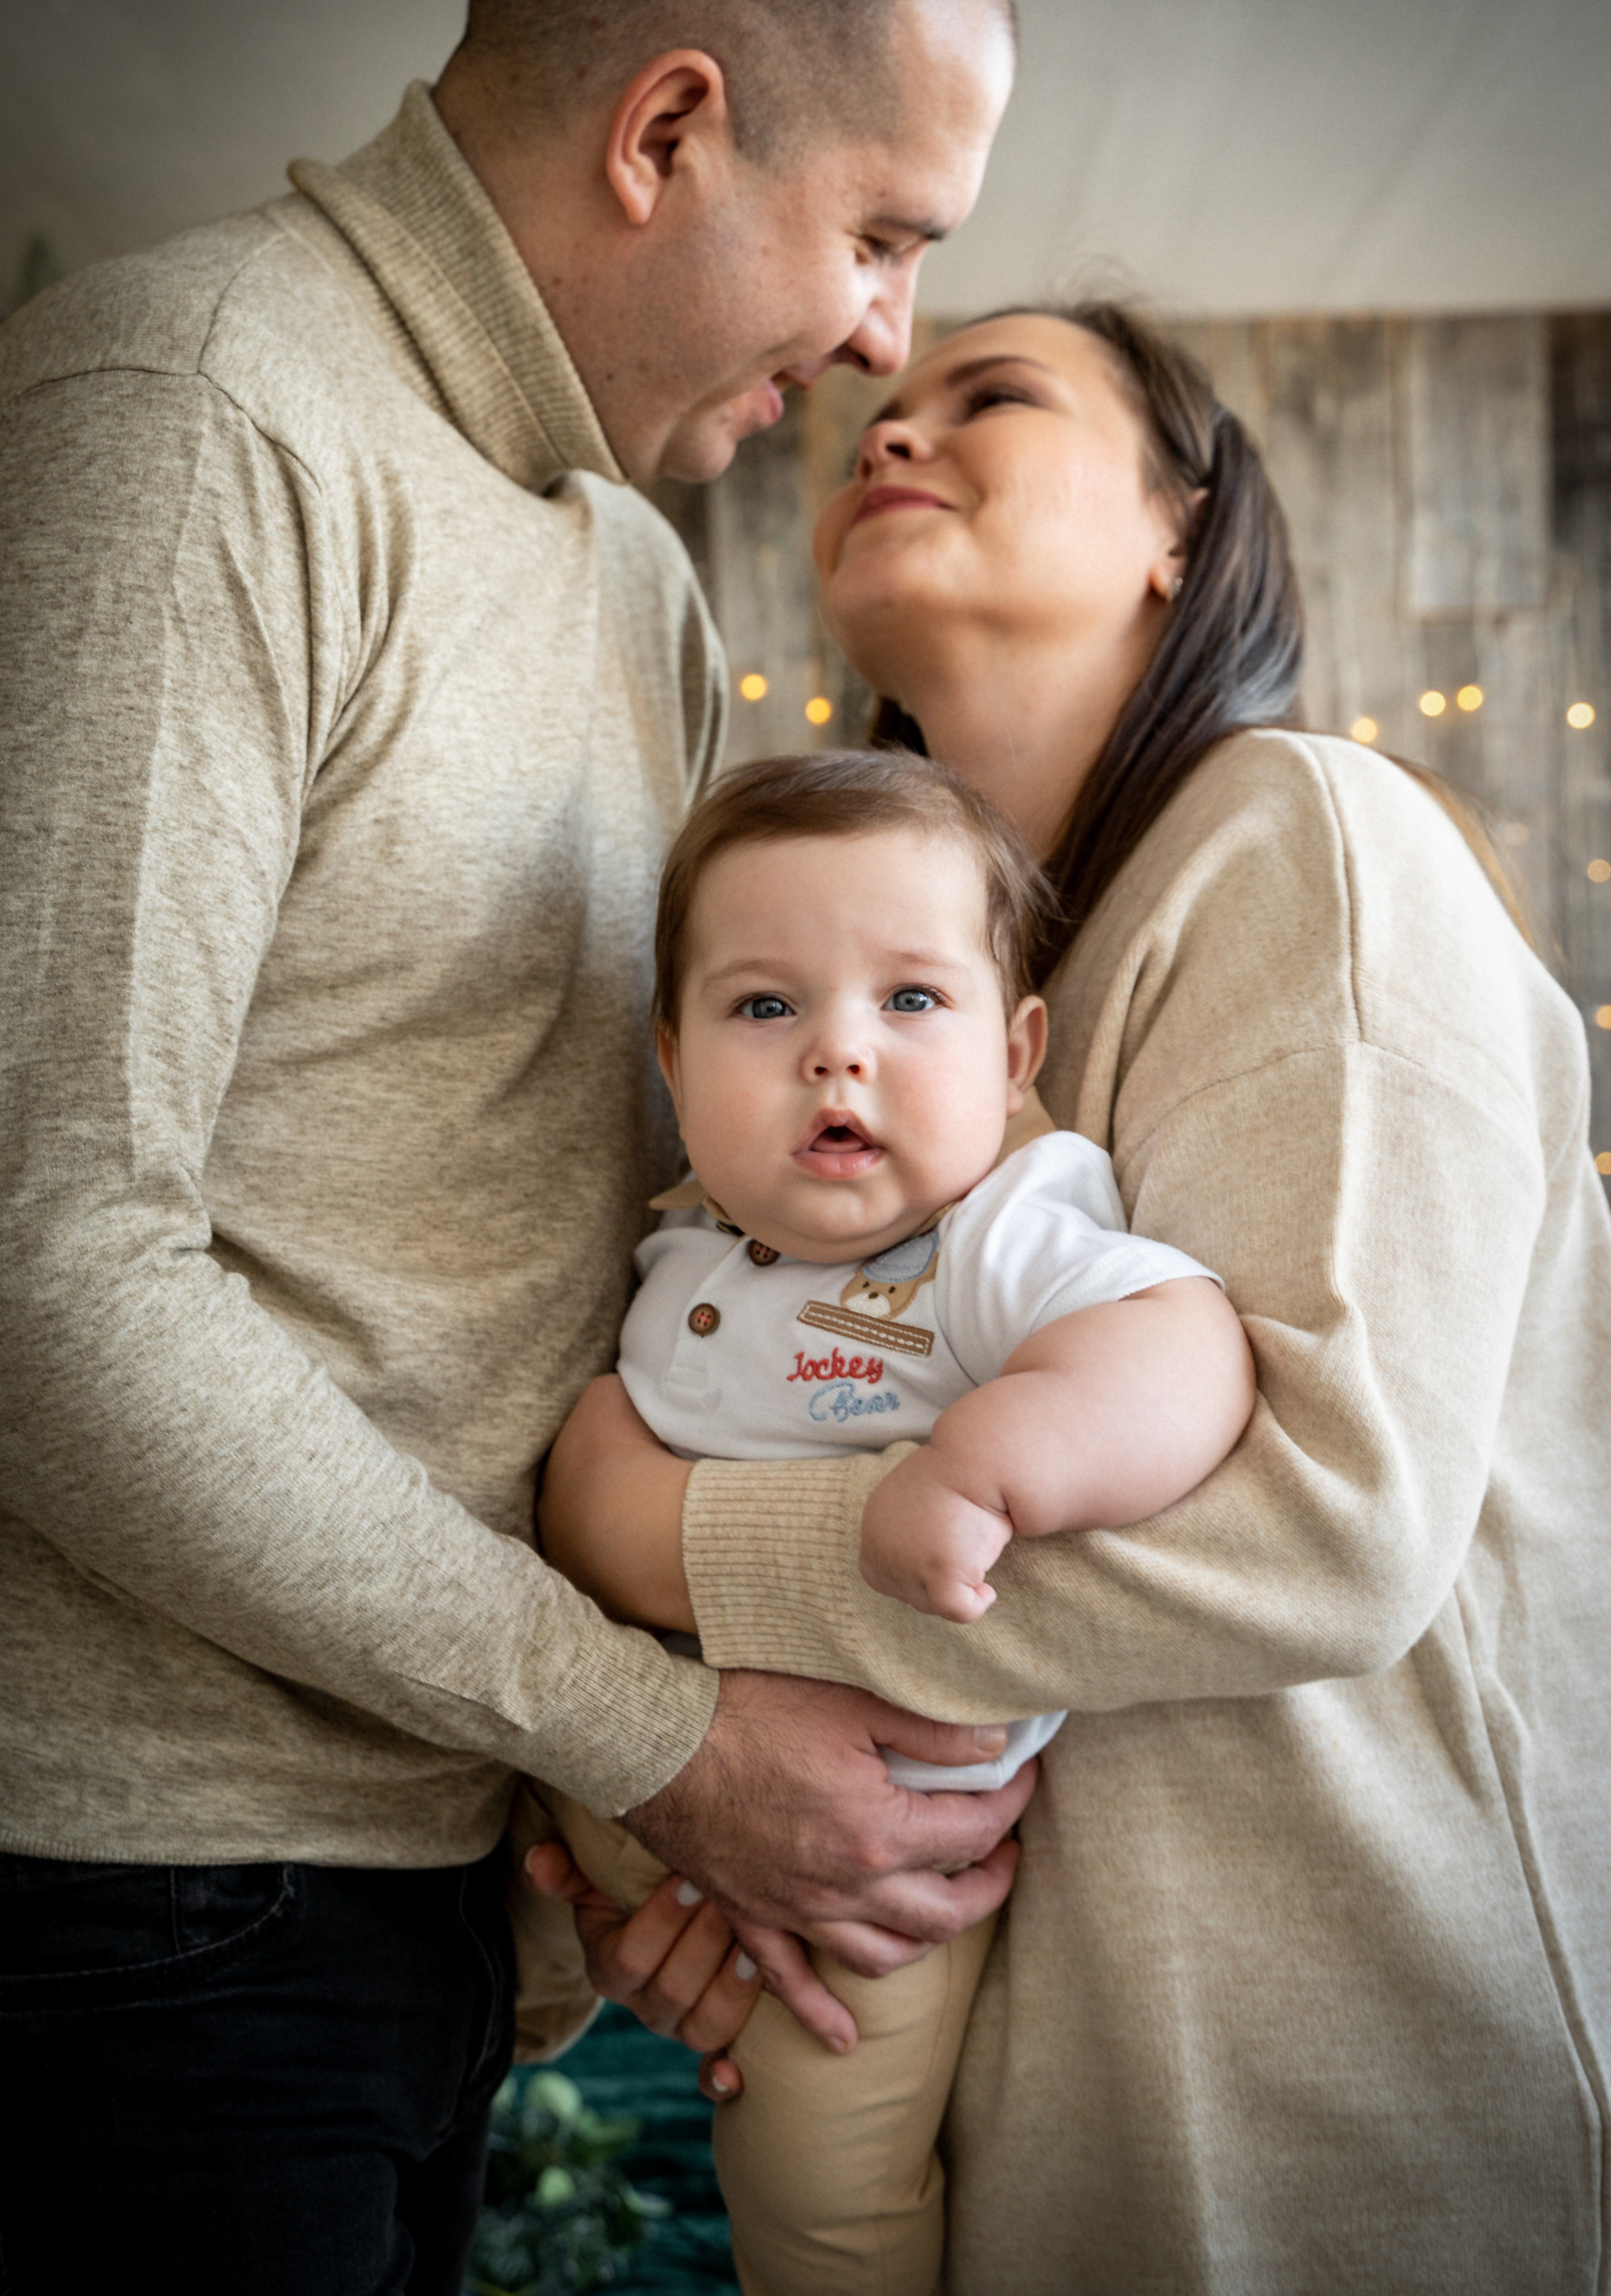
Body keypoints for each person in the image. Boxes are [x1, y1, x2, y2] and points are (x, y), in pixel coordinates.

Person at [0, 0, 1023, 2289]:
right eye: (881, 234)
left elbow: (593, 1257)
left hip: (438, 1913)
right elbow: (49, 1267)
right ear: (671, 126)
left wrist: (603, 1833)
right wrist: (650, 1744)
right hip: (139, 1923)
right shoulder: (195, 416)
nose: (892, 333)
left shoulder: (635, 579)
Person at [536, 301, 1611, 2294]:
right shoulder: (891, 1037)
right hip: (1040, 2064)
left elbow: (1328, 1529)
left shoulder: (1308, 835)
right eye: (873, 412)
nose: (888, 424)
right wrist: (712, 1803)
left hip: (1335, 2080)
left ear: (1177, 536)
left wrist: (666, 1538)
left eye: (991, 395)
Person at [532, 747, 1253, 2295]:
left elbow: (1184, 1351)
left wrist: (986, 1467)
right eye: (764, 1007)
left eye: (911, 1002)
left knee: (809, 2197)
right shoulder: (681, 1241)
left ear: (1017, 1051)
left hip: (874, 1862)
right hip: (640, 1783)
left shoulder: (994, 1234)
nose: (834, 1057)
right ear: (669, 1055)